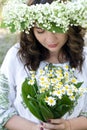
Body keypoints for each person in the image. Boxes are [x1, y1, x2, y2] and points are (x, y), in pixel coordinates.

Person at [0, 0, 87, 130]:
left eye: (57, 29)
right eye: (40, 31)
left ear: (69, 26)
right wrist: (35, 128)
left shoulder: (84, 57)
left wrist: (68, 125)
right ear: (31, 30)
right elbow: (2, 108)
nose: (51, 39)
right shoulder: (17, 56)